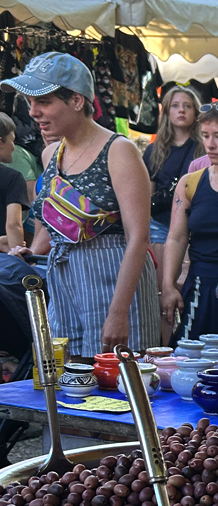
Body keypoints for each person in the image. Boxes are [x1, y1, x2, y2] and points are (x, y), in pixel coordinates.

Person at [4, 52, 160, 356]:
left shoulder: (119, 151)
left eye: (44, 102)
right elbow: (51, 231)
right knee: (71, 380)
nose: (33, 112)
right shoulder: (51, 156)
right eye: (29, 103)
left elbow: (138, 238)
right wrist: (30, 255)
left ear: (77, 101)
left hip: (114, 279)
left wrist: (119, 312)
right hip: (64, 282)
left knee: (119, 380)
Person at [161, 102, 218, 343]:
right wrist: (169, 285)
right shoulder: (189, 183)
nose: (210, 144)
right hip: (200, 291)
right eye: (205, 136)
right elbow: (176, 237)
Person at [143, 86, 201, 273]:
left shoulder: (205, 147)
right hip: (161, 224)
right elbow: (148, 193)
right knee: (163, 285)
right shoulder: (154, 150)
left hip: (195, 225)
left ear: (196, 111)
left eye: (187, 106)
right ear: (167, 111)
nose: (181, 110)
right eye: (175, 106)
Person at [0, 114, 28, 251]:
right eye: (12, 141)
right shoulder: (12, 178)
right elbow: (13, 224)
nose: (13, 147)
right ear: (0, 142)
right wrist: (17, 250)